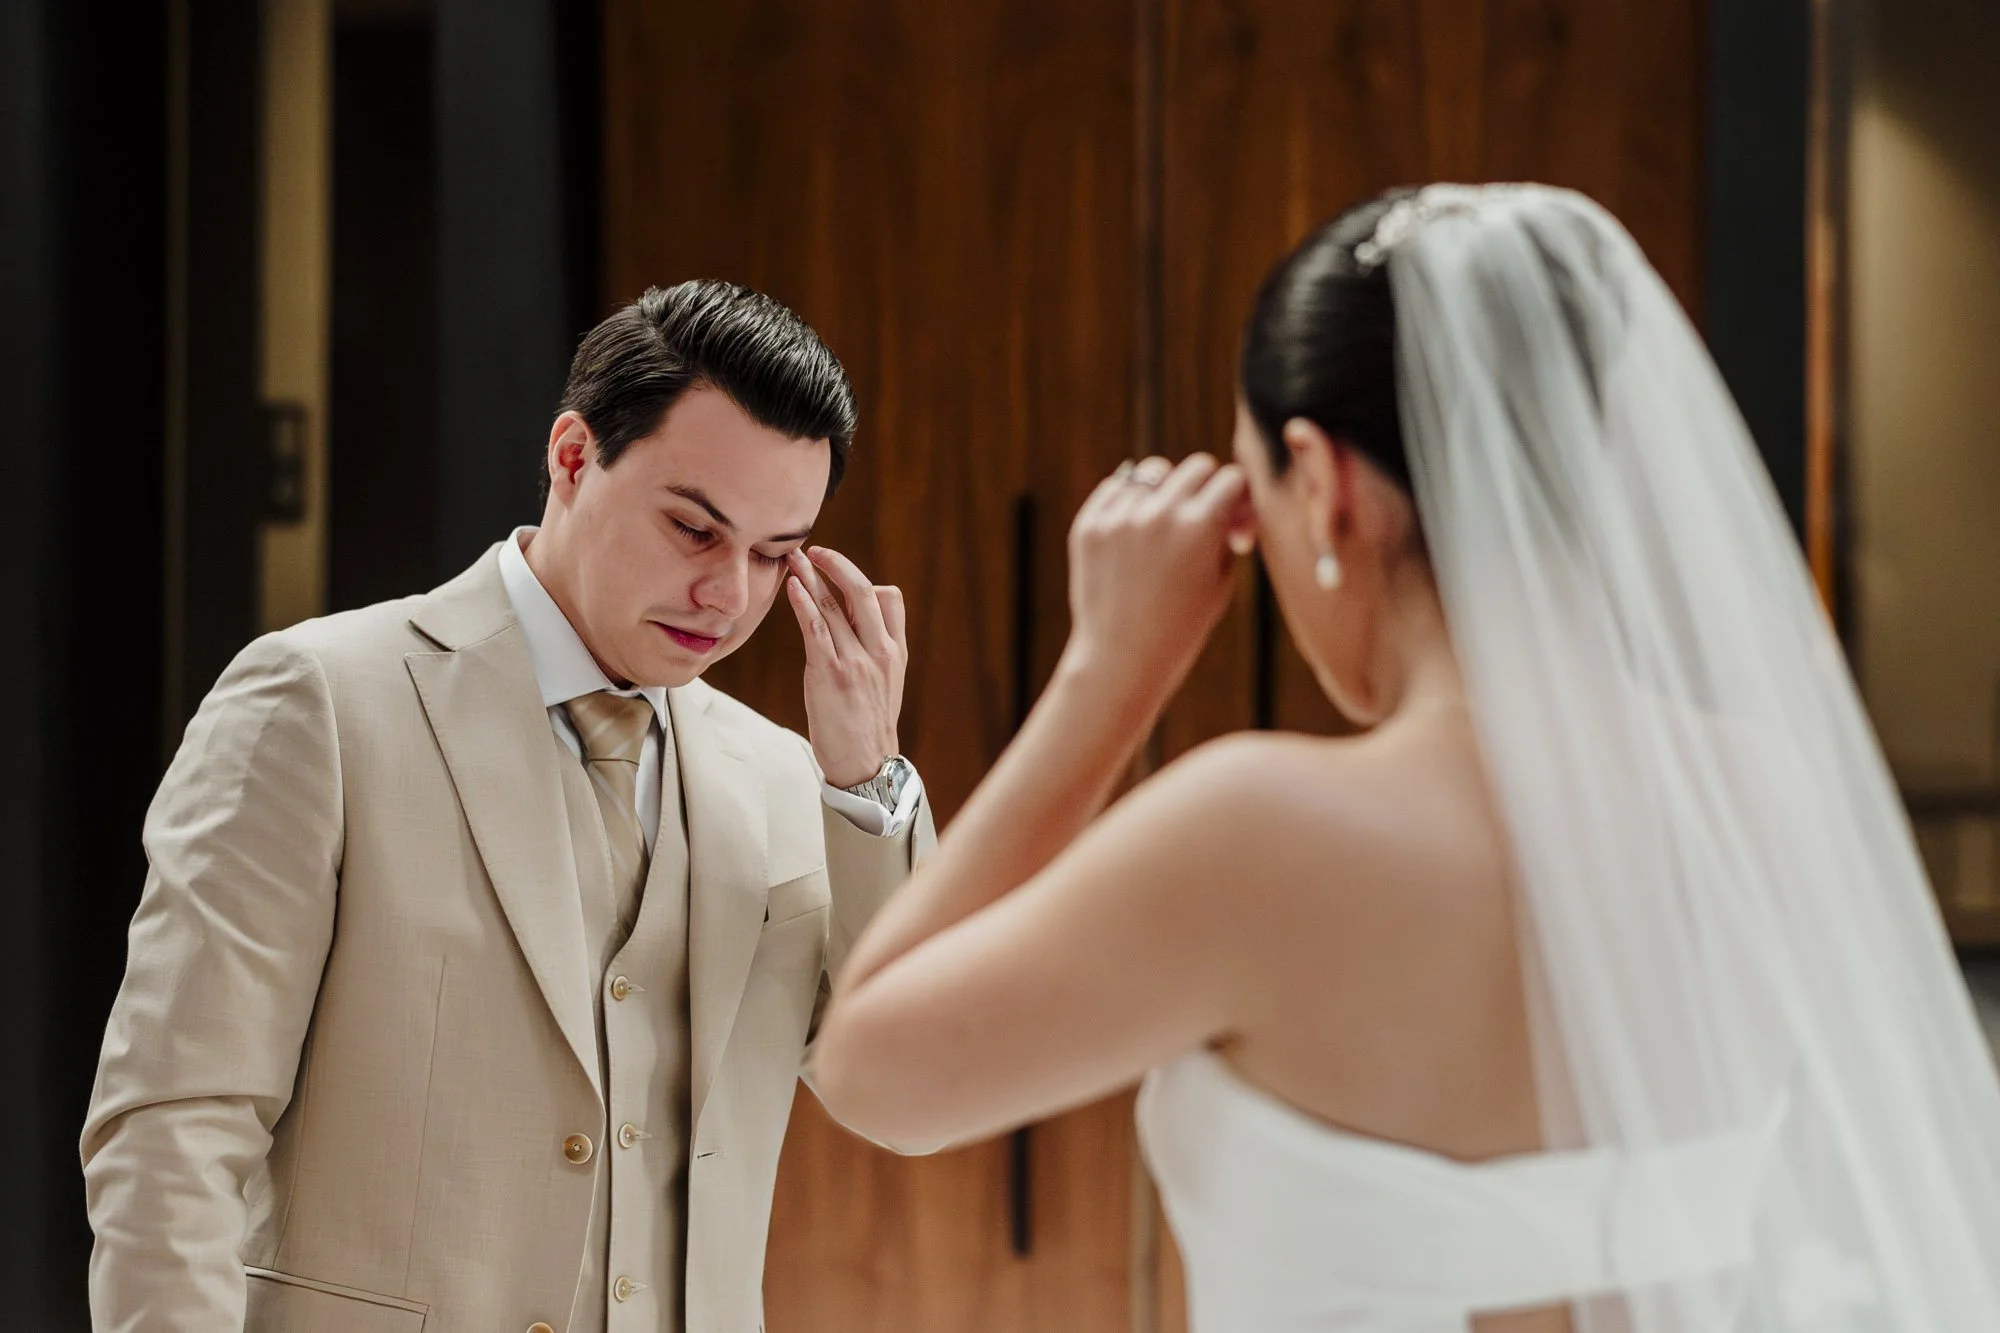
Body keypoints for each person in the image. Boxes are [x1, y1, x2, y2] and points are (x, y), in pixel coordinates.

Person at [810, 185, 2000, 1331]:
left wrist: (1109, 674)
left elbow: (872, 1075)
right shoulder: (1769, 796)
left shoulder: (1257, 830)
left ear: (1323, 488)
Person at [81, 280, 934, 1333]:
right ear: (572, 457)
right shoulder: (323, 701)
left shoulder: (782, 781)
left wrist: (866, 781)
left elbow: (914, 1103)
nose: (729, 596)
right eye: (692, 529)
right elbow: (175, 1122)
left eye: (771, 556)